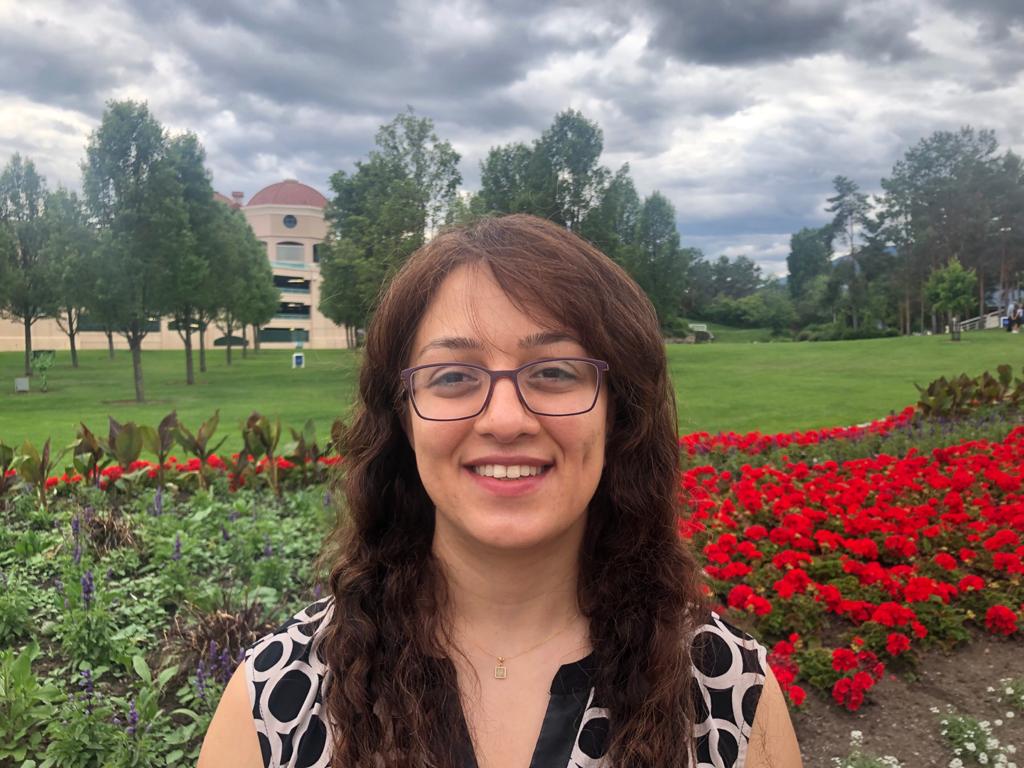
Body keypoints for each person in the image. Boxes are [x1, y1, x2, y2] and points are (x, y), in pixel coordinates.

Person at [199, 215, 803, 768]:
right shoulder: (281, 697)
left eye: (554, 372)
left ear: (619, 414)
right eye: (455, 376)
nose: (506, 420)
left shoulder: (723, 690)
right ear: (402, 417)